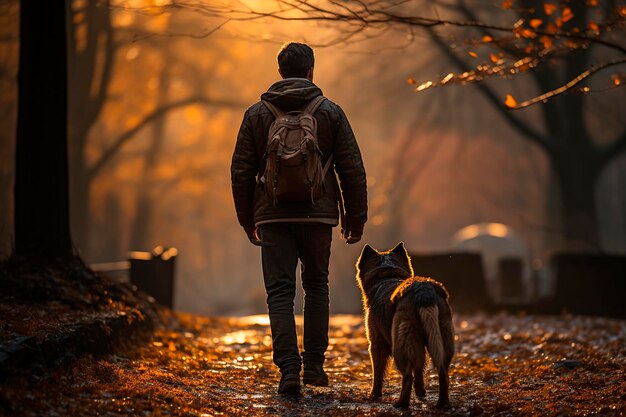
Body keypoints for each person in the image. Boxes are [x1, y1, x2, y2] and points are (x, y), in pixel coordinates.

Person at [230, 42, 367, 395]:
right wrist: (355, 219)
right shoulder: (330, 112)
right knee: (316, 286)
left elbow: (241, 171)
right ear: (311, 71)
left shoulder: (256, 114)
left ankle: (289, 370)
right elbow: (352, 169)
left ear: (279, 73)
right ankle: (315, 367)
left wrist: (248, 219)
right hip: (318, 216)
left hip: (272, 216)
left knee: (279, 293)